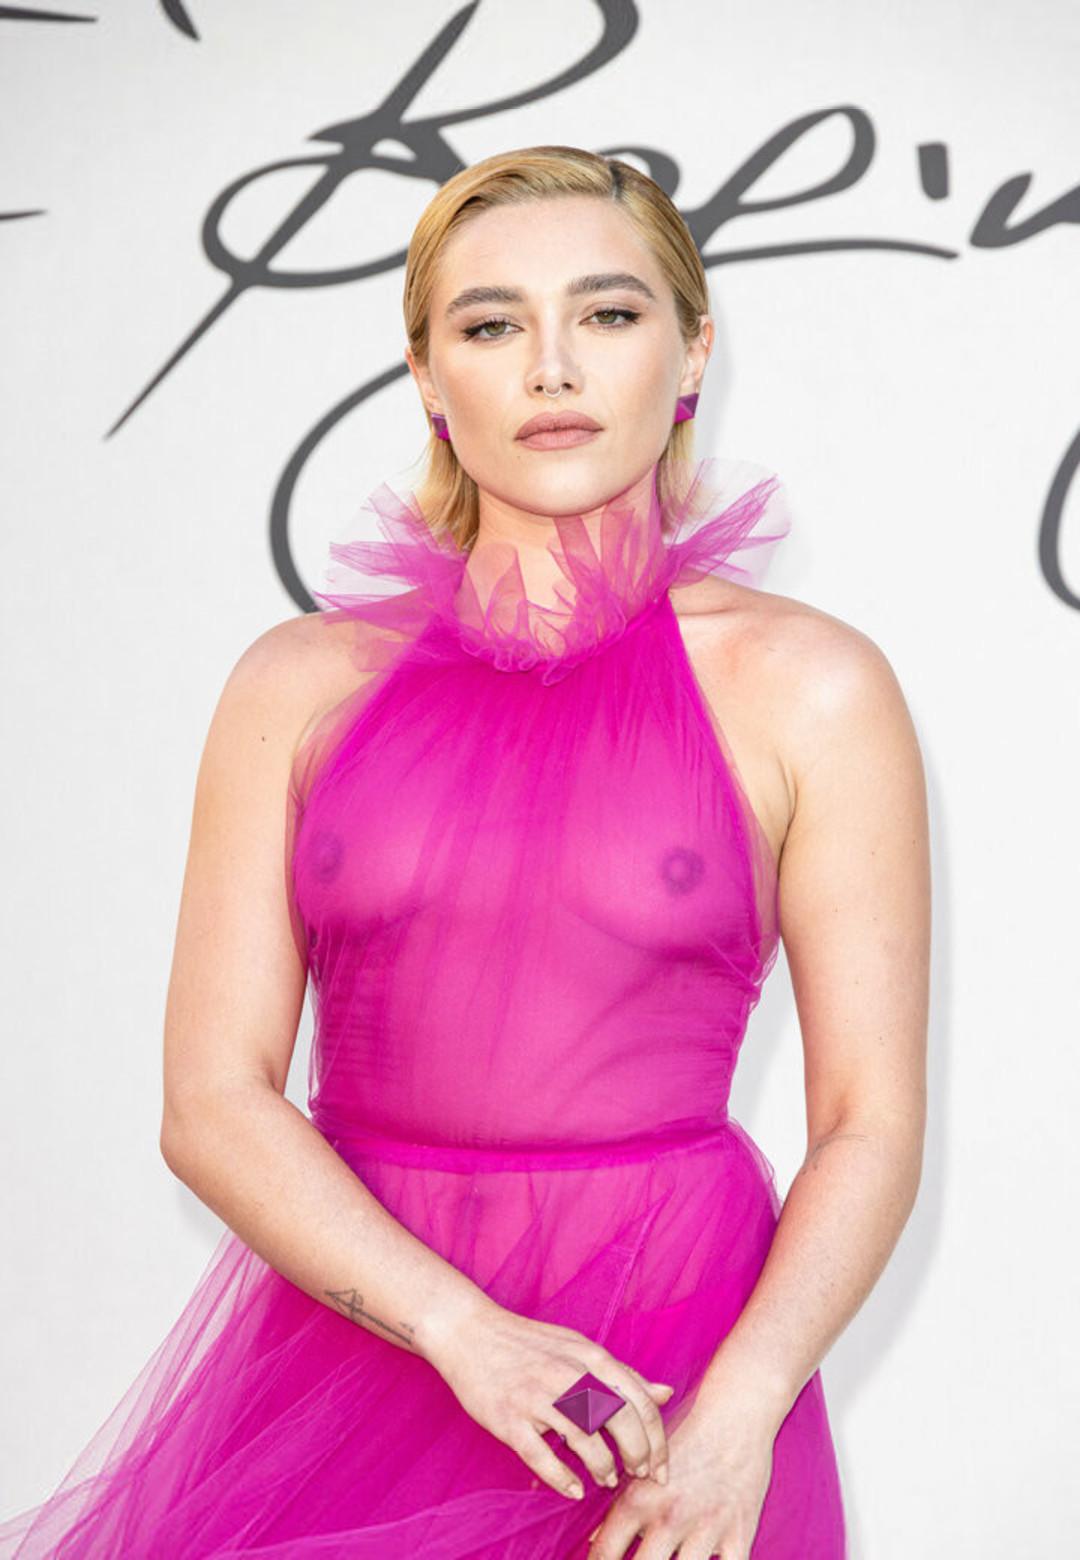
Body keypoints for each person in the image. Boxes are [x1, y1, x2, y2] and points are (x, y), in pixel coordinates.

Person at [0, 145, 929, 1559]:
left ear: (691, 354)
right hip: (360, 1344)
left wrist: (742, 1415)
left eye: (607, 313)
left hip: (674, 1376)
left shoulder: (811, 688)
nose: (552, 367)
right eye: (492, 325)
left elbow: (868, 1121)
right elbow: (210, 1100)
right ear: (430, 380)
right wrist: (460, 1331)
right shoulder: (297, 684)